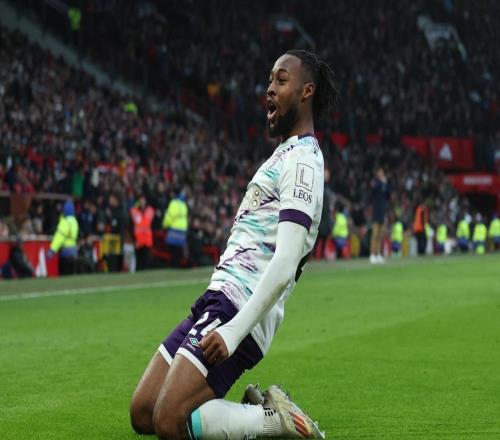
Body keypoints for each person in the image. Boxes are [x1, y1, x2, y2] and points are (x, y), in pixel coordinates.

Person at [130, 50, 338, 440]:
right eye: (269, 80)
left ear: (306, 91)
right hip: (218, 298)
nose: (269, 89)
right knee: (143, 412)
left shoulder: (304, 162)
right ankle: (253, 413)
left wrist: (233, 331)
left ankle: (274, 421)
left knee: (169, 421)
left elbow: (286, 261)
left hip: (240, 307)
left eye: (281, 80)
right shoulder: (283, 155)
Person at [48, 199, 79, 275]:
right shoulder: (74, 221)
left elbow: (59, 237)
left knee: (65, 275)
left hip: (65, 252)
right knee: (72, 276)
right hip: (74, 251)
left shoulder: (65, 222)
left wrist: (52, 250)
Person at [162, 190, 189, 267]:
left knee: (173, 249)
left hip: (175, 229)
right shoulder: (183, 204)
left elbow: (170, 216)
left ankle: (174, 265)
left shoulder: (174, 203)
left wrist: (164, 225)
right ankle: (178, 265)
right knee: (179, 248)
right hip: (183, 229)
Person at [369, 168, 390, 264]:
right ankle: (372, 254)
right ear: (377, 174)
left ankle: (378, 254)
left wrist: (385, 184)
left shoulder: (383, 184)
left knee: (380, 235)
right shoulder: (376, 183)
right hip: (376, 212)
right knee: (375, 235)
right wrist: (382, 183)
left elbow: (388, 195)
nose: (382, 174)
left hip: (382, 212)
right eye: (380, 173)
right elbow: (373, 190)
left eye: (382, 173)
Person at [130, 195, 155, 270]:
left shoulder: (150, 210)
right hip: (138, 239)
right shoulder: (134, 211)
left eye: (143, 200)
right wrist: (133, 238)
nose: (142, 201)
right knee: (138, 260)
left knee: (146, 259)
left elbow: (153, 224)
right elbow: (131, 225)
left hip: (147, 239)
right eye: (141, 200)